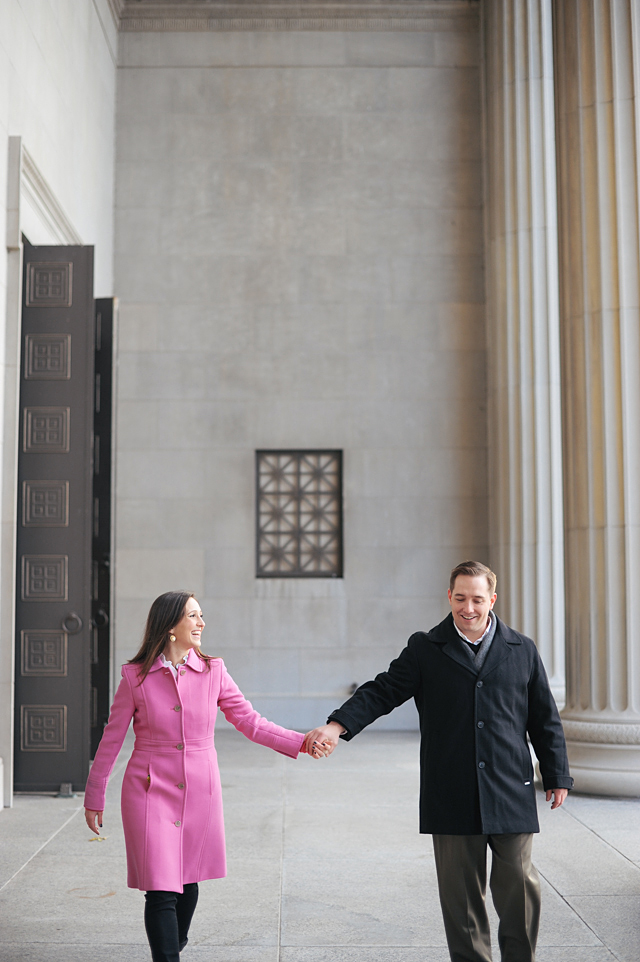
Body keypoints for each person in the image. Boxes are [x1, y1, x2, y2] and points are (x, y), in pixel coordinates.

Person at [305, 560, 573, 962]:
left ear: (492, 600)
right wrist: (336, 726)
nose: (468, 608)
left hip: (510, 788)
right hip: (451, 791)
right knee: (462, 904)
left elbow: (544, 718)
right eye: (460, 598)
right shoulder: (425, 648)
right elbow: (383, 690)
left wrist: (556, 774)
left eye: (477, 599)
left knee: (519, 889)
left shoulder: (522, 649)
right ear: (449, 596)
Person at [84, 590, 323, 962]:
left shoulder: (214, 671)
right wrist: (94, 793)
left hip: (199, 788)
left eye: (201, 615)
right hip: (147, 788)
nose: (201, 623)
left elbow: (250, 722)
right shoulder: (135, 678)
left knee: (187, 881)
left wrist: (303, 742)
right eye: (193, 616)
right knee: (160, 888)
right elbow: (112, 738)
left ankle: (174, 942)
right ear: (170, 628)